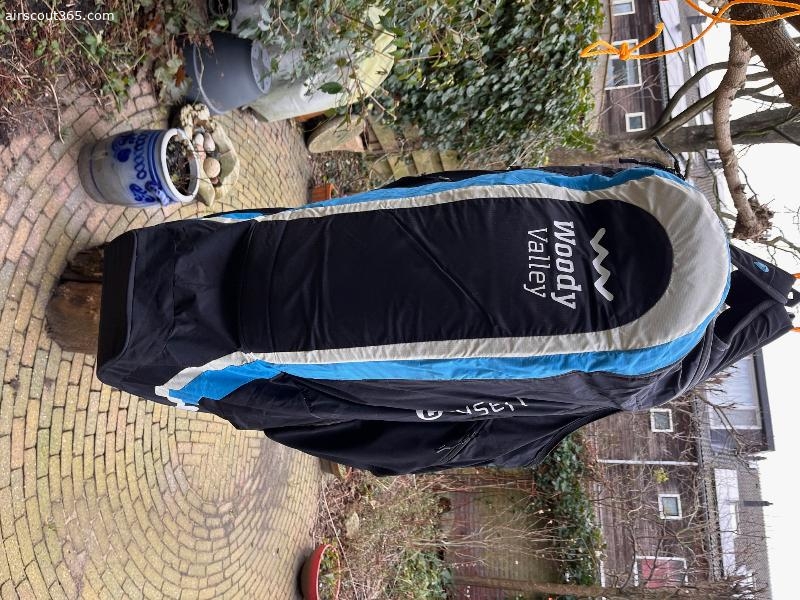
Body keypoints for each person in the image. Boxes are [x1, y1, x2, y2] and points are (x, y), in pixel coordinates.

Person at [95, 166, 797, 475]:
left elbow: (445, 191)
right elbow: (453, 420)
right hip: (254, 347)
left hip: (271, 244)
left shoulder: (661, 197)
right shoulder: (645, 369)